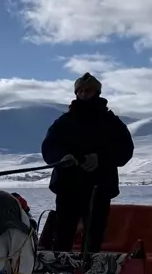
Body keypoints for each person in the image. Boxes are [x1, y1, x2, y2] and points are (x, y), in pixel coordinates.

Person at [41, 72, 134, 253]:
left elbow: (125, 151)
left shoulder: (112, 123)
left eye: (88, 90)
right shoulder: (63, 123)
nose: (83, 94)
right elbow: (48, 148)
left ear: (97, 93)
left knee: (94, 236)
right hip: (68, 188)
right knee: (63, 233)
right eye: (80, 91)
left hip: (99, 189)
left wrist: (101, 159)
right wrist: (62, 158)